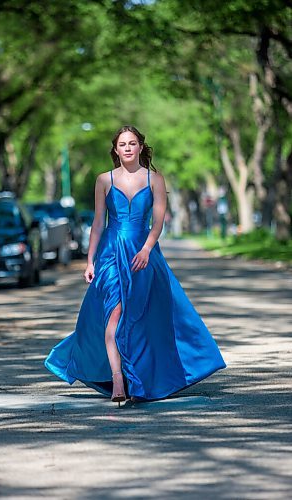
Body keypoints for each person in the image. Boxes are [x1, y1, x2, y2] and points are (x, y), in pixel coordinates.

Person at [45, 125, 226, 406]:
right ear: (115, 150)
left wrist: (146, 249)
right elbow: (97, 223)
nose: (127, 148)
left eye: (132, 143)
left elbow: (158, 221)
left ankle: (141, 377)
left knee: (142, 319)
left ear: (141, 146)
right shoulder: (104, 180)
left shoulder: (155, 179)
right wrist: (90, 260)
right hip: (109, 254)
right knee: (113, 316)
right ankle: (118, 378)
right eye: (122, 144)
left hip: (143, 255)